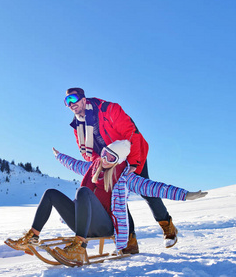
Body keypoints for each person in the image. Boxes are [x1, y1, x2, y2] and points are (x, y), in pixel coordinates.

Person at [4, 140, 207, 266]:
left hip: (104, 225)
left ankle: (79, 246)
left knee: (83, 192)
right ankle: (32, 238)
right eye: (104, 153)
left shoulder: (124, 177)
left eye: (110, 157)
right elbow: (73, 163)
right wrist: (58, 156)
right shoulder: (93, 167)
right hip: (82, 222)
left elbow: (155, 188)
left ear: (118, 161)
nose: (104, 158)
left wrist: (186, 195)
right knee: (51, 193)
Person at [64, 87, 179, 250]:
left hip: (132, 153)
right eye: (67, 101)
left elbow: (131, 134)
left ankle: (167, 225)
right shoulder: (78, 125)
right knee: (116, 197)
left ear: (83, 99)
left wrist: (133, 163)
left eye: (73, 99)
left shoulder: (108, 109)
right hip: (109, 161)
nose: (71, 104)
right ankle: (130, 241)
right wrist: (101, 162)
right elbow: (86, 154)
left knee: (146, 191)